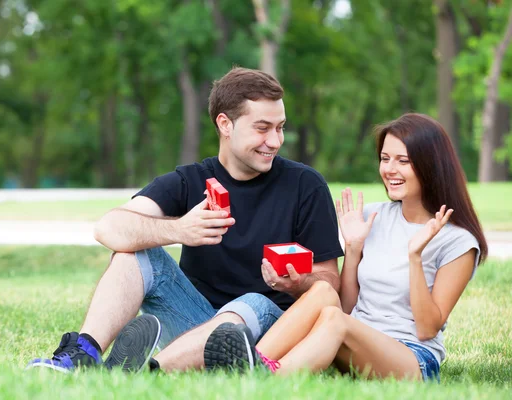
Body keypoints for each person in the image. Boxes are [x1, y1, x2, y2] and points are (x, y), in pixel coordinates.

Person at [26, 67, 343, 373]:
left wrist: (298, 283)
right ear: (225, 124)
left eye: (280, 127)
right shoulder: (189, 180)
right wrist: (179, 229)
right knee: (135, 252)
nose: (275, 140)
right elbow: (108, 227)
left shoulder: (305, 185)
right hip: (193, 323)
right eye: (263, 128)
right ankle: (83, 353)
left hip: (266, 335)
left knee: (254, 302)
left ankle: (151, 371)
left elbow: (329, 283)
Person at [203, 113, 488, 382]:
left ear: (430, 165)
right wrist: (353, 248)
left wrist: (415, 257)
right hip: (352, 339)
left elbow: (427, 328)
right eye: (385, 158)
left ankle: (264, 378)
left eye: (403, 161)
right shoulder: (373, 217)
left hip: (412, 357)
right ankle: (255, 360)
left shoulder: (458, 241)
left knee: (334, 320)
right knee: (325, 293)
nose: (390, 169)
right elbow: (349, 306)